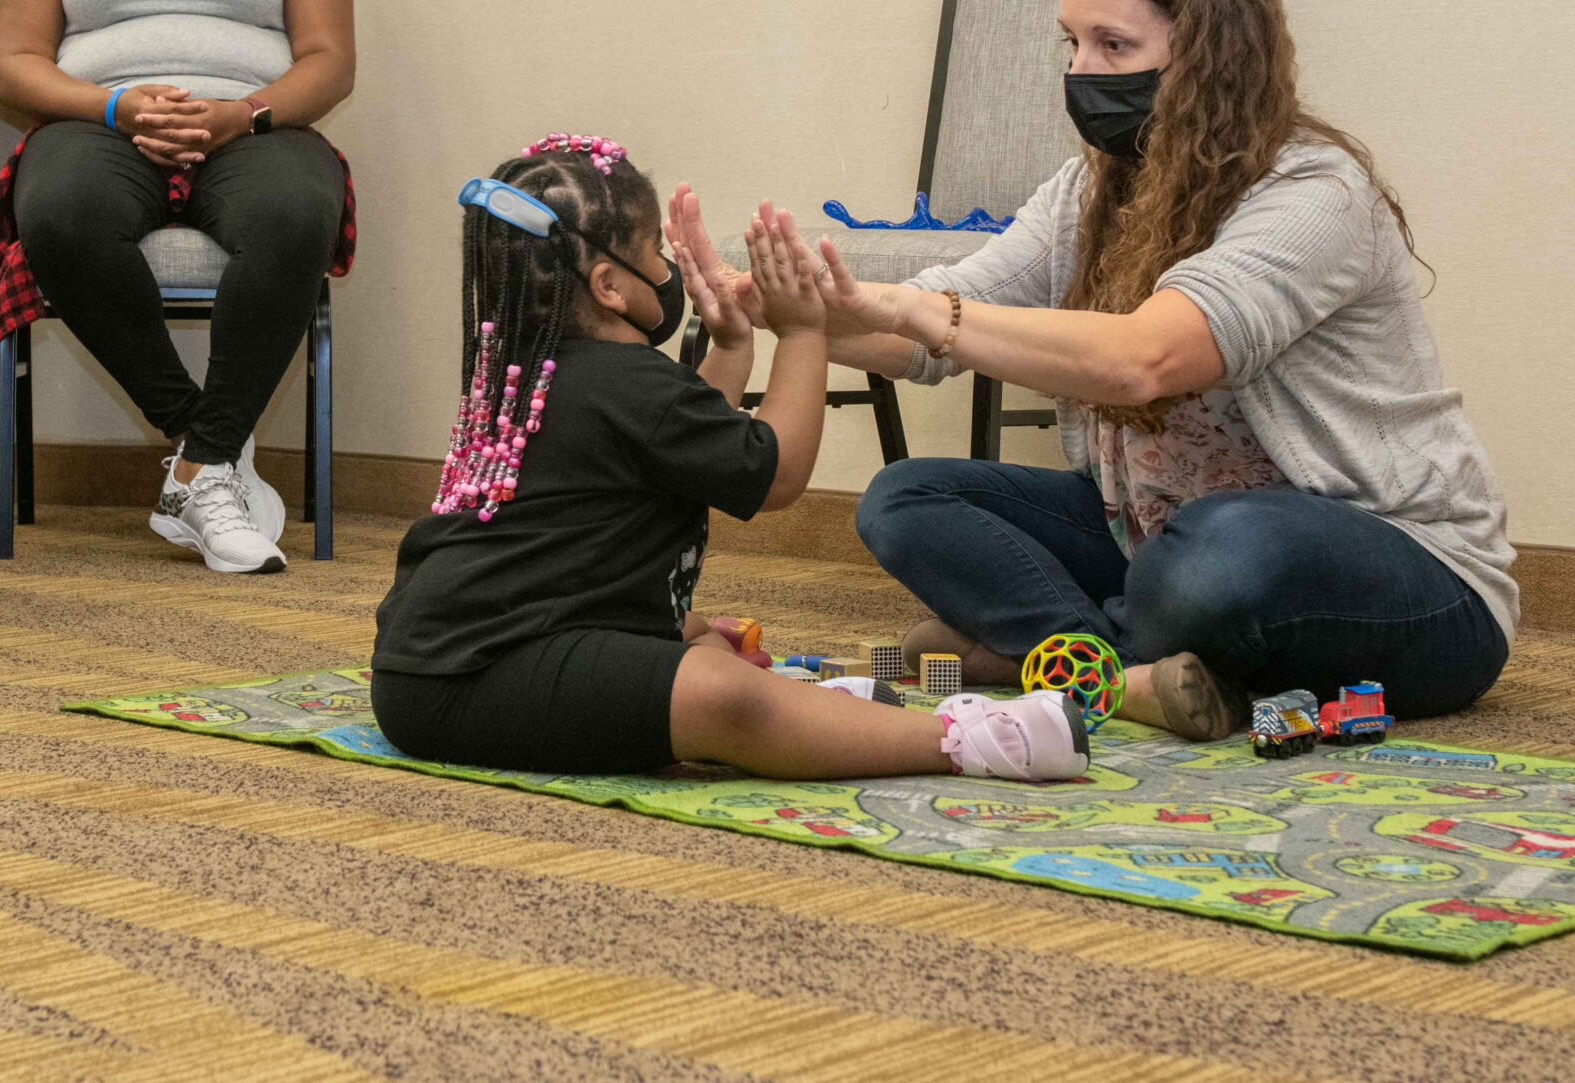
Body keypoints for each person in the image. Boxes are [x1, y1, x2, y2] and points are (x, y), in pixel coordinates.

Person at [803, 0, 1513, 739]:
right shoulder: (1087, 189)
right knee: (905, 496)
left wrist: (923, 309)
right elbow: (929, 328)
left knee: (1217, 555)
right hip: (1155, 539)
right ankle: (1116, 669)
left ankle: (1041, 646)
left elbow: (1145, 359)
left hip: (1411, 576)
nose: (1082, 72)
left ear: (1209, 54)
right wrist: (786, 310)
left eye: (1113, 45)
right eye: (1072, 43)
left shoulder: (1316, 194)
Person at [369, 135, 1089, 783]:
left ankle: (827, 717)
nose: (666, 268)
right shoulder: (627, 383)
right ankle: (966, 739)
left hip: (434, 661)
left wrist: (734, 344)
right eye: (653, 251)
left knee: (693, 640)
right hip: (485, 676)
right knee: (726, 697)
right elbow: (775, 473)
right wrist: (802, 332)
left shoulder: (538, 375)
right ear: (610, 285)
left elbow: (688, 447)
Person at [0, 0, 355, 574]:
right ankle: (209, 448)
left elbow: (330, 59)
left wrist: (243, 113)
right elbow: (15, 64)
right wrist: (113, 107)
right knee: (62, 212)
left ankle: (199, 466)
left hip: (252, 124)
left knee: (295, 212)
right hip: (100, 120)